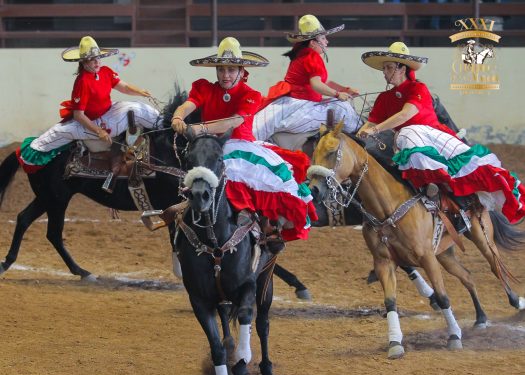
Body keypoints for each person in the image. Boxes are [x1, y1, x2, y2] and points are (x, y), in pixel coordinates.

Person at [357, 42, 525, 224]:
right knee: (401, 141)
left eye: (389, 67)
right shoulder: (384, 98)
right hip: (410, 141)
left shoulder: (418, 88)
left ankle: (441, 186)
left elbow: (406, 114)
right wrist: (360, 133)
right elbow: (371, 121)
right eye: (384, 68)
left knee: (406, 133)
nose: (384, 72)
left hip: (432, 137)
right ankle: (425, 190)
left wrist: (374, 130)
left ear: (401, 68)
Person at [171, 37, 317, 245]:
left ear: (241, 71)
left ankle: (254, 218)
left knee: (235, 167)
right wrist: (178, 116)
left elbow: (233, 122)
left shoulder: (251, 95)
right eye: (221, 70)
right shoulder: (204, 88)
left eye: (231, 70)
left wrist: (198, 128)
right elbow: (189, 104)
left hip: (240, 145)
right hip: (207, 145)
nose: (225, 75)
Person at [17, 36, 159, 192]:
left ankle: (162, 125)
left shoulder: (105, 71)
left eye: (98, 58)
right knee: (58, 132)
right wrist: (98, 131)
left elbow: (123, 87)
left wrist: (139, 91)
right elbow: (79, 115)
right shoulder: (82, 81)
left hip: (109, 111)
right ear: (84, 62)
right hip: (92, 120)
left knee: (137, 108)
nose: (97, 62)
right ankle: (35, 150)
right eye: (92, 60)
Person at [253, 15, 362, 142]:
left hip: (294, 103)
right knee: (342, 108)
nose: (327, 41)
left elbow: (324, 83)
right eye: (323, 38)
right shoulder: (311, 56)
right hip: (300, 107)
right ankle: (362, 137)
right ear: (313, 43)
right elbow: (316, 84)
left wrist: (345, 90)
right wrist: (338, 95)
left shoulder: (303, 54)